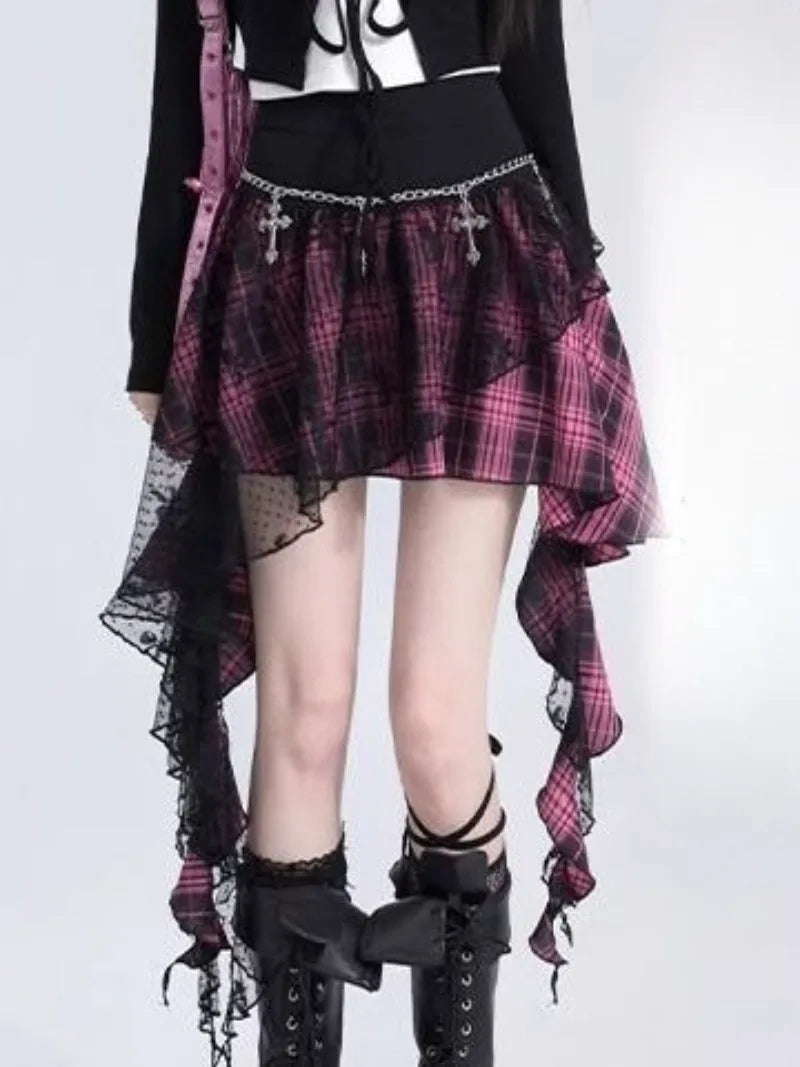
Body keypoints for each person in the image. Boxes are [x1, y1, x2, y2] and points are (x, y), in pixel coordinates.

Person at [100, 2, 668, 1064]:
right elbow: (183, 95)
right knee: (303, 713)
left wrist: (575, 278)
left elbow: (531, 57)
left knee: (435, 722)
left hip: (479, 256)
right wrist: (151, 335)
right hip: (283, 261)